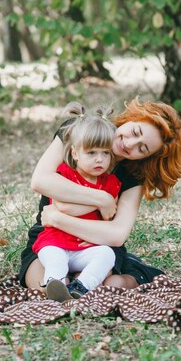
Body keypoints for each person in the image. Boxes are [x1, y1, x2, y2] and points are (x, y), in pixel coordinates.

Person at [19, 97, 181, 292]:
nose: (130, 144)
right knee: (48, 288)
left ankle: (125, 273)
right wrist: (103, 199)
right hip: (50, 237)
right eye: (134, 132)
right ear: (131, 118)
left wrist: (57, 218)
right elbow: (41, 180)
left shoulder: (134, 174)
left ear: (146, 157)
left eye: (142, 148)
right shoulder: (79, 130)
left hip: (96, 243)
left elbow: (116, 235)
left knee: (88, 288)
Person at [34, 102, 121, 301]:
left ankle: (81, 287)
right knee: (56, 262)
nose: (99, 159)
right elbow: (65, 207)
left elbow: (109, 214)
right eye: (91, 153)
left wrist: (106, 203)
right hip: (55, 242)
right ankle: (54, 287)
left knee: (107, 255)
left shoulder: (111, 183)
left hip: (85, 247)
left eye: (105, 153)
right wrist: (102, 200)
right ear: (75, 153)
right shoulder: (64, 175)